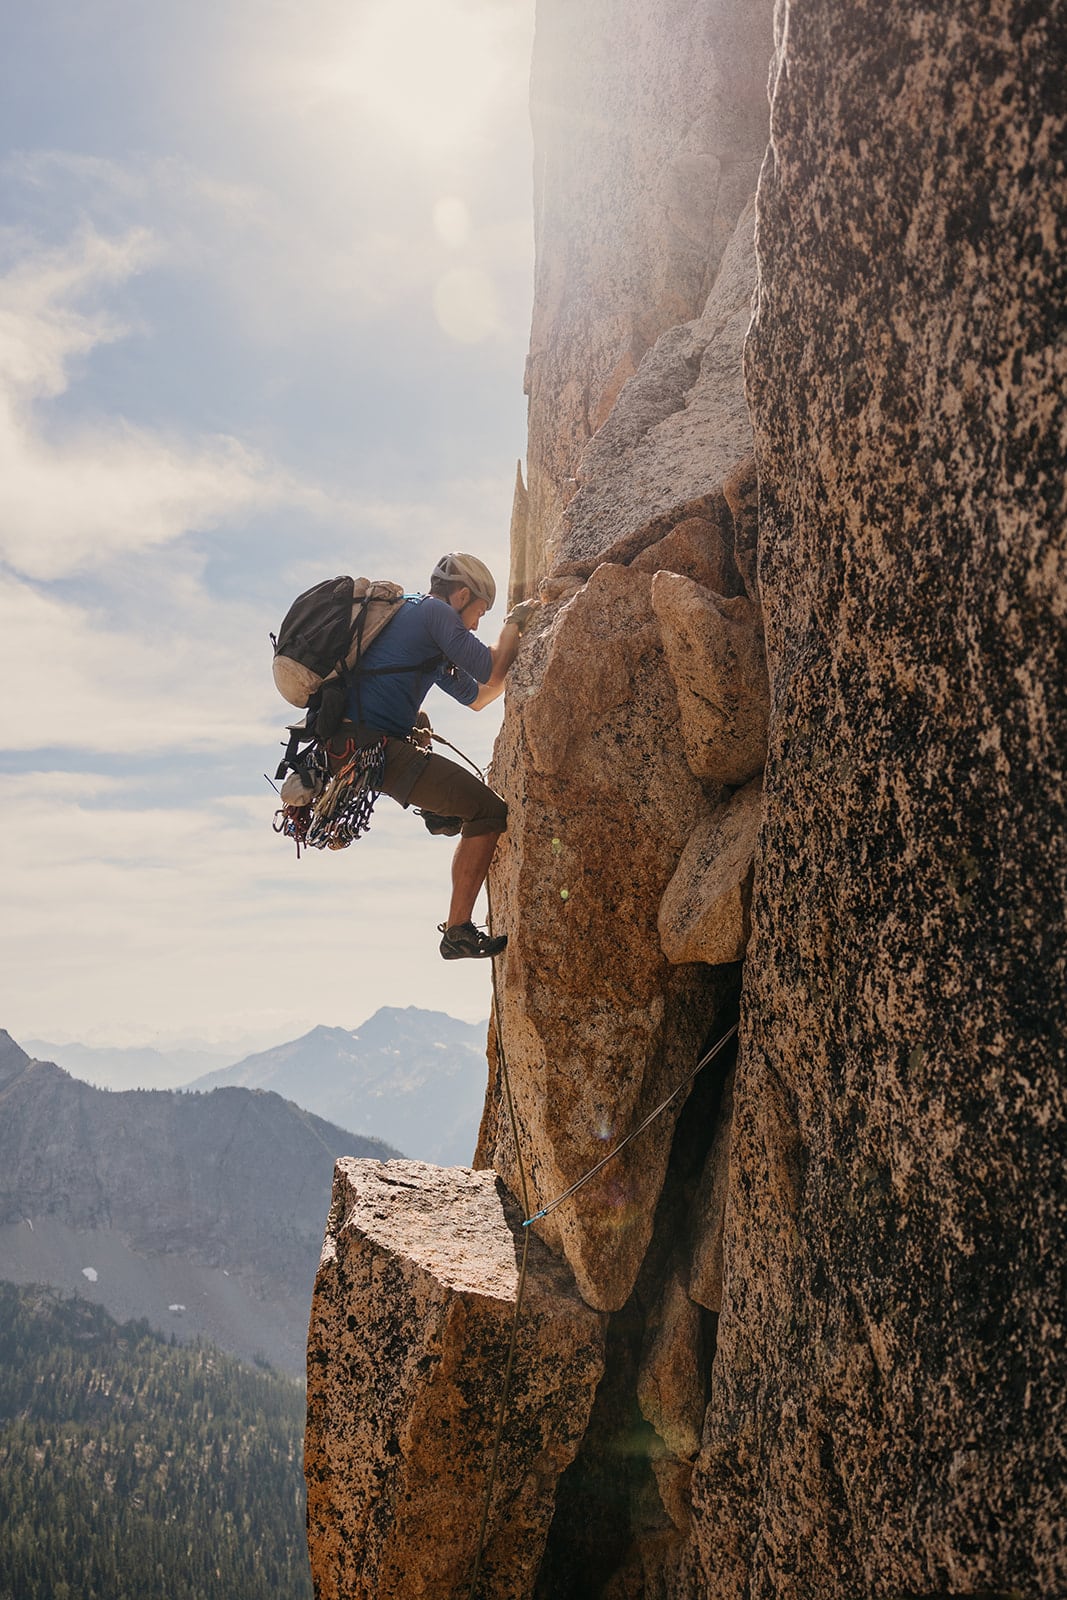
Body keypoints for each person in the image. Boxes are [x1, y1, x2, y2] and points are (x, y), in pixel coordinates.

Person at [334, 552, 537, 960]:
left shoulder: (415, 619)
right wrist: (517, 621)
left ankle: (439, 811)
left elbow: (480, 697)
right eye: (479, 612)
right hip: (376, 748)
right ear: (461, 595)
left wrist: (512, 658)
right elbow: (490, 669)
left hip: (357, 746)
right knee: (487, 811)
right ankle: (458, 931)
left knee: (430, 735)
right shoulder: (434, 614)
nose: (478, 624)